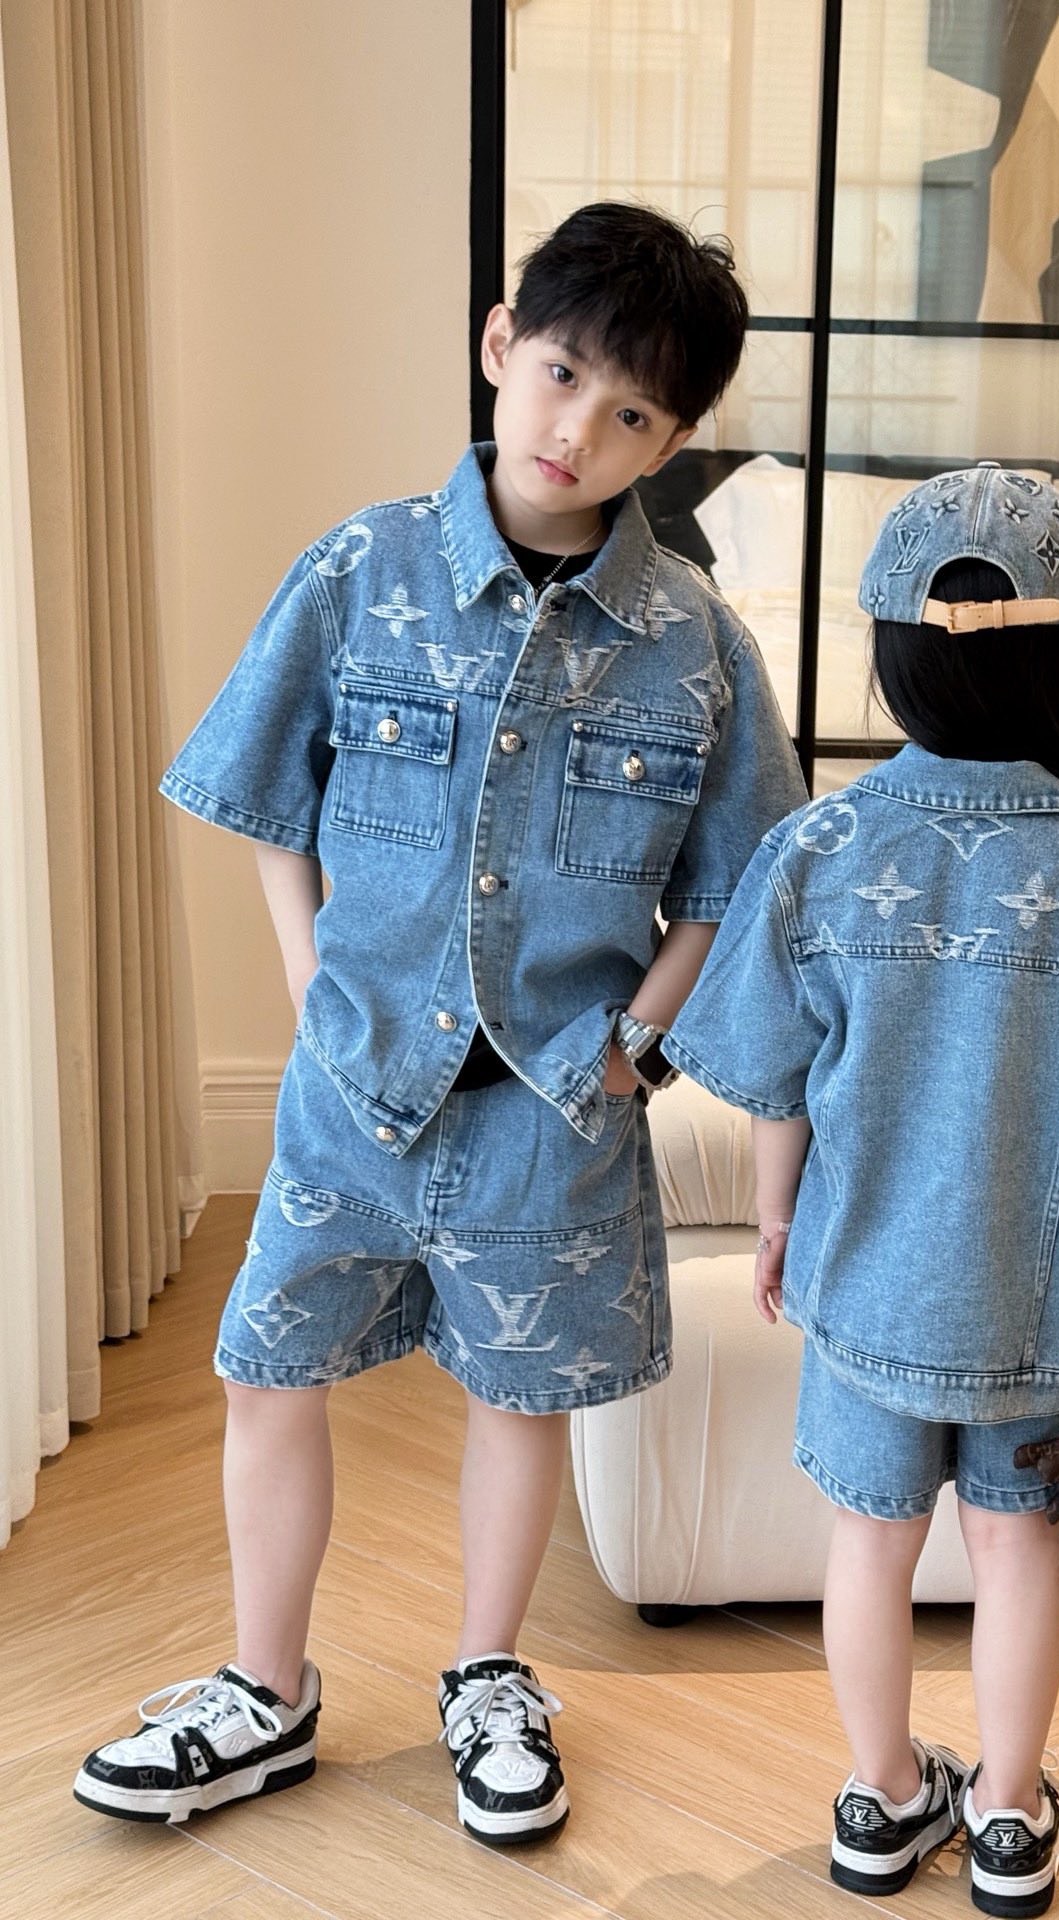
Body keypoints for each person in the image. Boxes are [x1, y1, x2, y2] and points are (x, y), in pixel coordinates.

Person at [74, 202, 807, 1845]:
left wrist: (639, 1039)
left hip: (552, 1106)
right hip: (354, 1089)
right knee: (267, 1372)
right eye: (560, 375)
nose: (578, 431)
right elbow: (266, 791)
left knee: (518, 1397)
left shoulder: (694, 645)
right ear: (499, 344)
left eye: (633, 413)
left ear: (674, 441)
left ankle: (487, 1675)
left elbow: (736, 880)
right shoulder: (363, 571)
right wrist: (305, 973)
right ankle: (264, 1690)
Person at [663, 464, 1059, 1915]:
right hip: (1041, 1306)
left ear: (894, 654)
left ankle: (882, 1800)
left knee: (868, 1549)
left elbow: (774, 1084)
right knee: (1014, 1553)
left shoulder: (817, 850)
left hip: (866, 1287)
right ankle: (1006, 1817)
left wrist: (775, 1223)